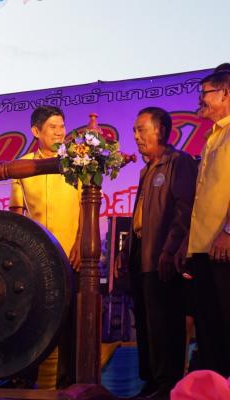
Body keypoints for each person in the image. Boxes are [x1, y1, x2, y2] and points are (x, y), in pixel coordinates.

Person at [116, 107, 198, 400]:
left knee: (165, 322)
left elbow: (184, 210)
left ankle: (168, 385)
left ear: (161, 130)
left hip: (163, 255)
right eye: (134, 131)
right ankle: (150, 382)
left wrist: (170, 249)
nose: (136, 136)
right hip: (142, 253)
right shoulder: (147, 169)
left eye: (141, 129)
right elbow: (140, 217)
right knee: (145, 322)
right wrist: (126, 250)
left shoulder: (179, 162)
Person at [9, 105, 81, 389]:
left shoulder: (79, 160)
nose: (59, 132)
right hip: (35, 257)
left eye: (62, 126)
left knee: (70, 322)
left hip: (71, 253)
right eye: (53, 127)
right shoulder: (21, 166)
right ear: (36, 131)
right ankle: (23, 381)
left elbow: (88, 207)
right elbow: (17, 213)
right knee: (30, 318)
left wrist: (80, 244)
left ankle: (68, 384)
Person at [186, 71, 230, 377]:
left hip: (224, 248)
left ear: (226, 94)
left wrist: (228, 231)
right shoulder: (213, 135)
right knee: (208, 331)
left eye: (206, 92)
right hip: (202, 248)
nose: (201, 98)